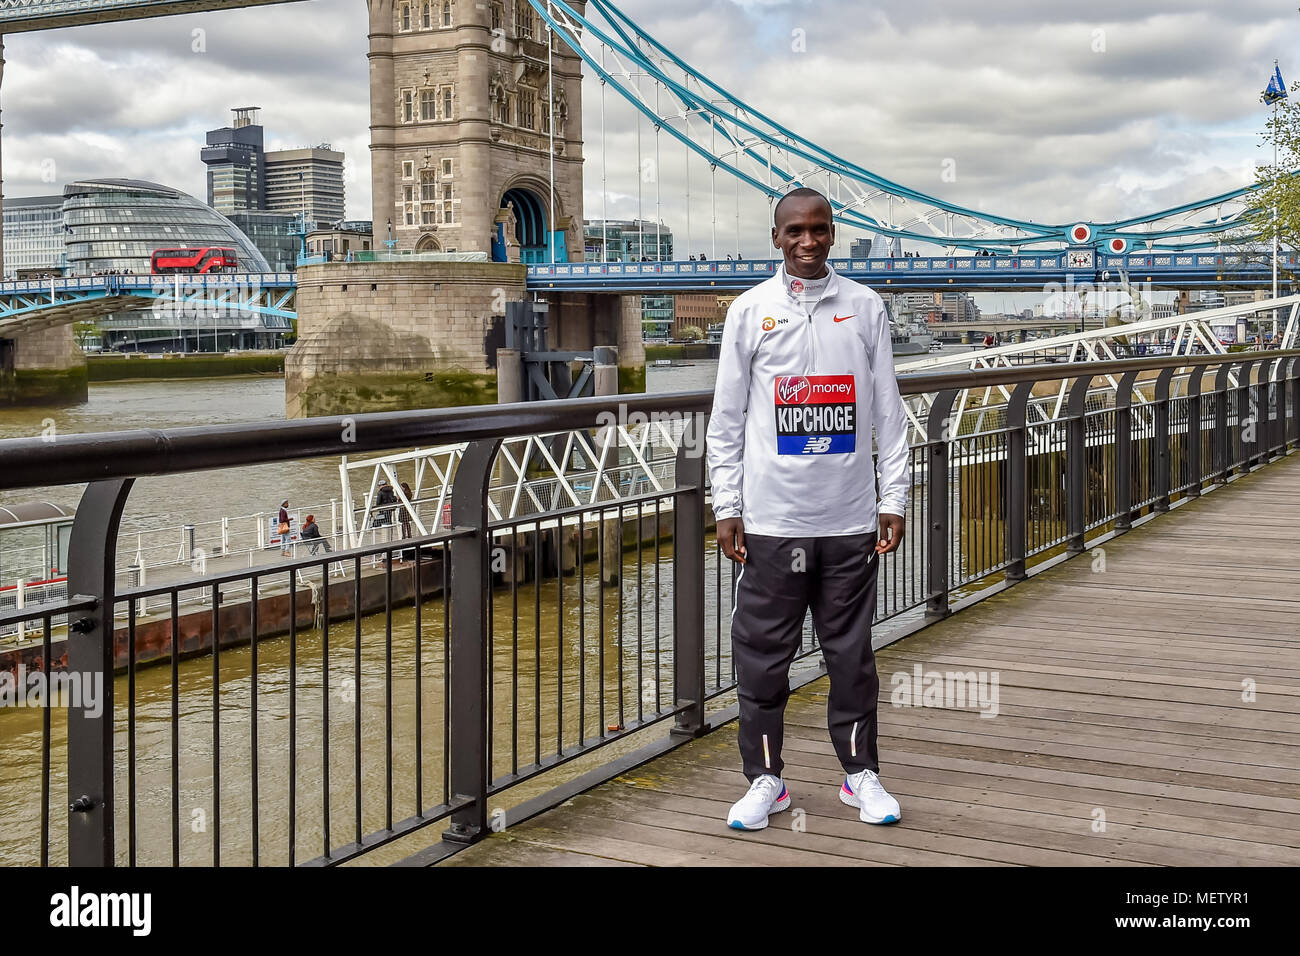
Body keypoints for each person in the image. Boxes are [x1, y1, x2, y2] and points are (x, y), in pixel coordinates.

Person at [708, 186, 909, 832]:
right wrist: (727, 504)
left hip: (849, 519)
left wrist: (894, 497)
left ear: (833, 232)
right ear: (776, 238)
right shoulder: (748, 312)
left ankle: (860, 776)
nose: (808, 241)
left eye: (819, 229)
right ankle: (766, 780)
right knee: (761, 659)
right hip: (772, 522)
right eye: (795, 230)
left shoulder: (866, 308)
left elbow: (889, 415)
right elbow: (727, 421)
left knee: (851, 656)